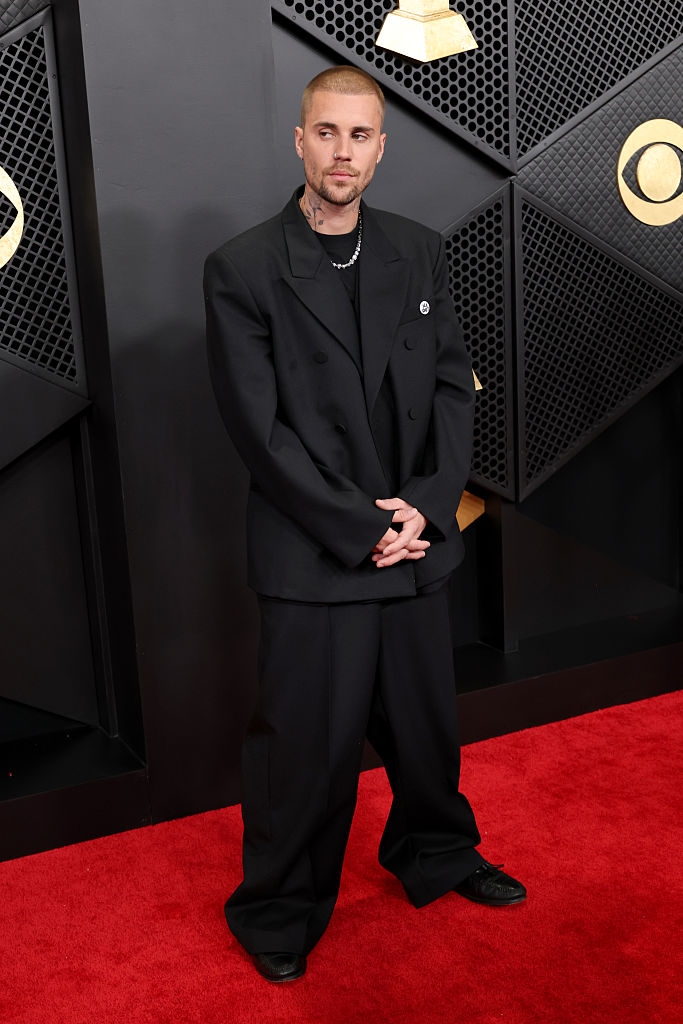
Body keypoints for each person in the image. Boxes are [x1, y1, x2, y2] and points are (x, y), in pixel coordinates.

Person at [204, 66, 525, 984]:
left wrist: (423, 507)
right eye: (326, 134)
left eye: (359, 137)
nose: (342, 153)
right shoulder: (241, 268)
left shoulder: (419, 251)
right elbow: (258, 431)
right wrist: (360, 524)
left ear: (380, 149)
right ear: (299, 140)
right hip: (317, 548)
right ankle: (276, 909)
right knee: (306, 743)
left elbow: (449, 389)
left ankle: (436, 853)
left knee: (424, 727)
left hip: (412, 538)